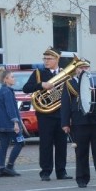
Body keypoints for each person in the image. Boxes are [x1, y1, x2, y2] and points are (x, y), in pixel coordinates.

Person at [60, 59, 96, 188]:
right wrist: (65, 123)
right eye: (81, 68)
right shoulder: (69, 84)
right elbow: (65, 105)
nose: (84, 70)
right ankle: (82, 179)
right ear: (76, 70)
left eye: (86, 67)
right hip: (79, 122)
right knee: (81, 153)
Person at [22, 46, 71, 181]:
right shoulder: (39, 73)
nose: (46, 61)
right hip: (45, 116)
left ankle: (61, 172)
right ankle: (45, 172)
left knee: (62, 144)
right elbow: (26, 88)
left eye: (49, 58)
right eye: (45, 58)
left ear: (57, 59)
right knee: (45, 144)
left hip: (61, 115)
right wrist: (41, 85)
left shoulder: (64, 73)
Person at [0, 67, 25, 177]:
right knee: (20, 142)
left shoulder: (2, 91)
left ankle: (0, 168)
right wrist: (15, 123)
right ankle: (9, 166)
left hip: (1, 124)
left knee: (4, 145)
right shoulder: (7, 92)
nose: (14, 79)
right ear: (5, 79)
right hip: (9, 124)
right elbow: (11, 109)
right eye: (12, 77)